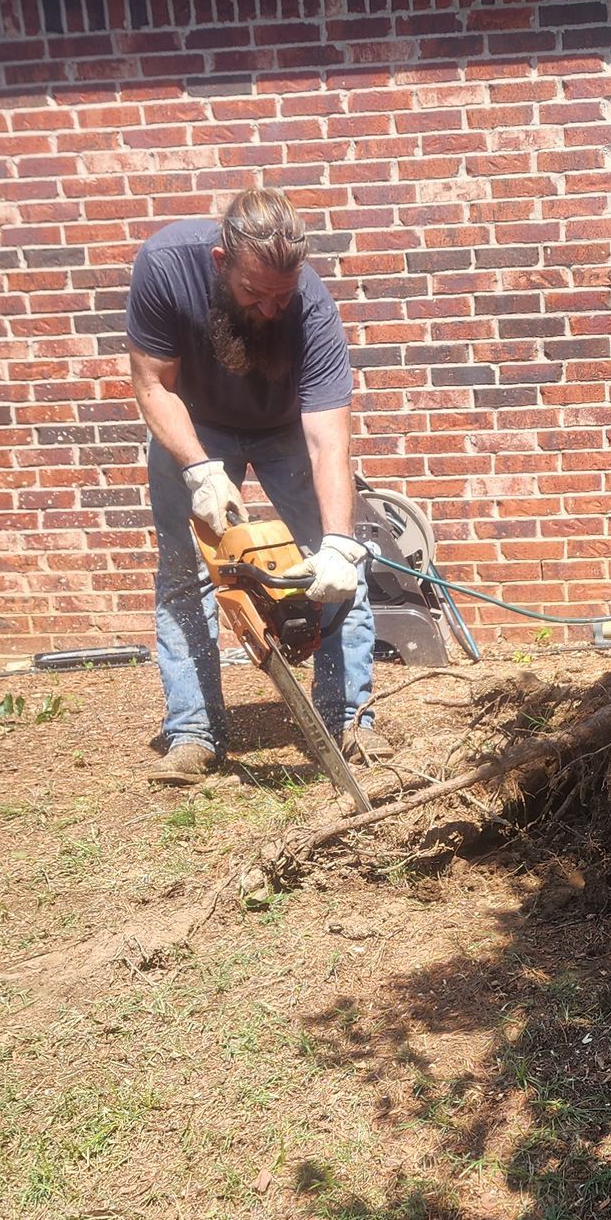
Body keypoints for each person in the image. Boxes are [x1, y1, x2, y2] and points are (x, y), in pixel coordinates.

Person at [126, 184, 385, 782]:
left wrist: (341, 541)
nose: (270, 308)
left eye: (282, 296)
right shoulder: (166, 265)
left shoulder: (312, 305)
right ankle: (193, 732)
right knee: (183, 576)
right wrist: (197, 467)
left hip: (284, 427)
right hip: (191, 426)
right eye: (253, 292)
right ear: (222, 262)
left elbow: (326, 433)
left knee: (340, 565)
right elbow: (151, 384)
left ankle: (351, 719)